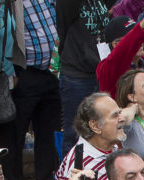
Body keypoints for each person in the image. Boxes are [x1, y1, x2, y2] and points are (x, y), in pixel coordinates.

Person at [6, 0, 61, 180]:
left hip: (53, 72)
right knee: (15, 136)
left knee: (48, 134)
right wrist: (11, 72)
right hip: (24, 73)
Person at [56, 0, 112, 155]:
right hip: (77, 74)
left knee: (104, 127)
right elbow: (63, 27)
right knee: (75, 133)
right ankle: (71, 176)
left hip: (102, 71)